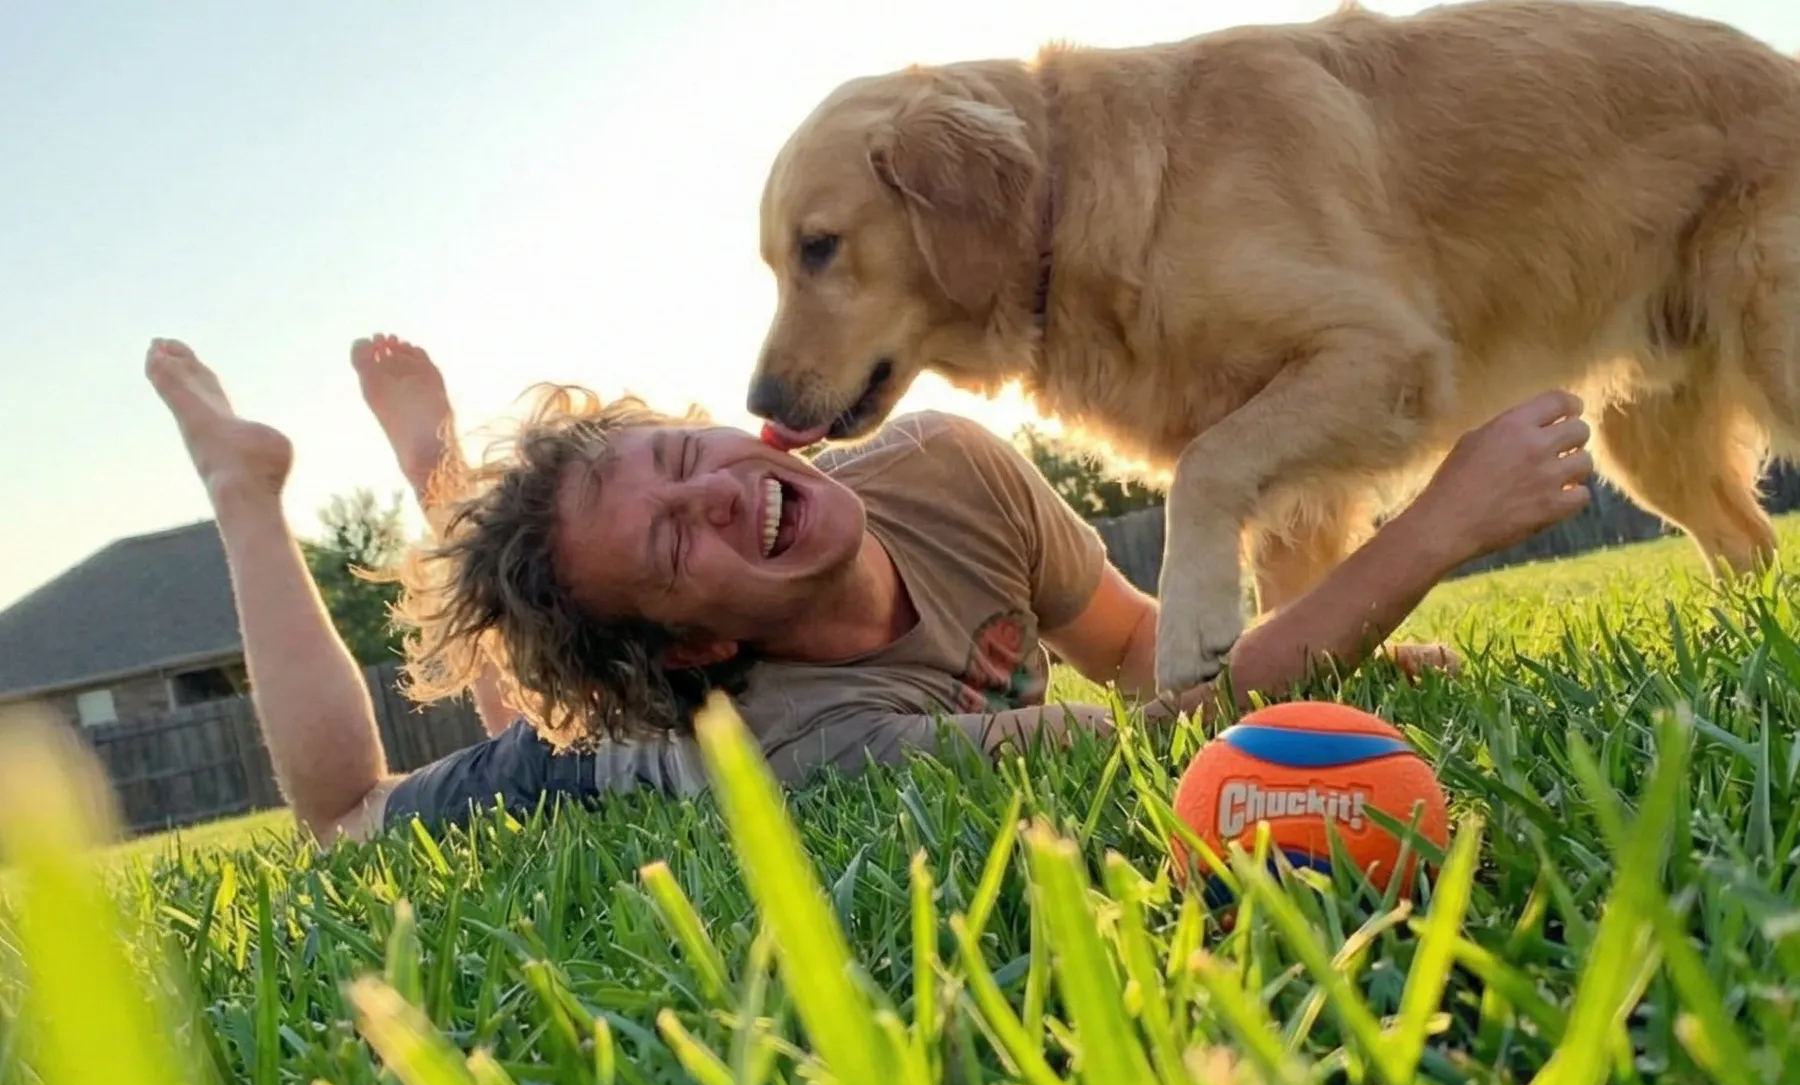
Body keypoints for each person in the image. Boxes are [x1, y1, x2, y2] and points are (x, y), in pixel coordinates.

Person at [142, 333, 1594, 844]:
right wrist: (1428, 536)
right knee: (348, 820)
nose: (710, 487)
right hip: (592, 774)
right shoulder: (808, 743)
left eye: (675, 453)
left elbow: (1151, 664)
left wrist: (1298, 669)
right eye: (672, 539)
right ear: (705, 632)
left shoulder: (955, 465)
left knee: (550, 619)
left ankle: (447, 490)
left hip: (658, 676)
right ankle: (250, 496)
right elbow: (1162, 753)